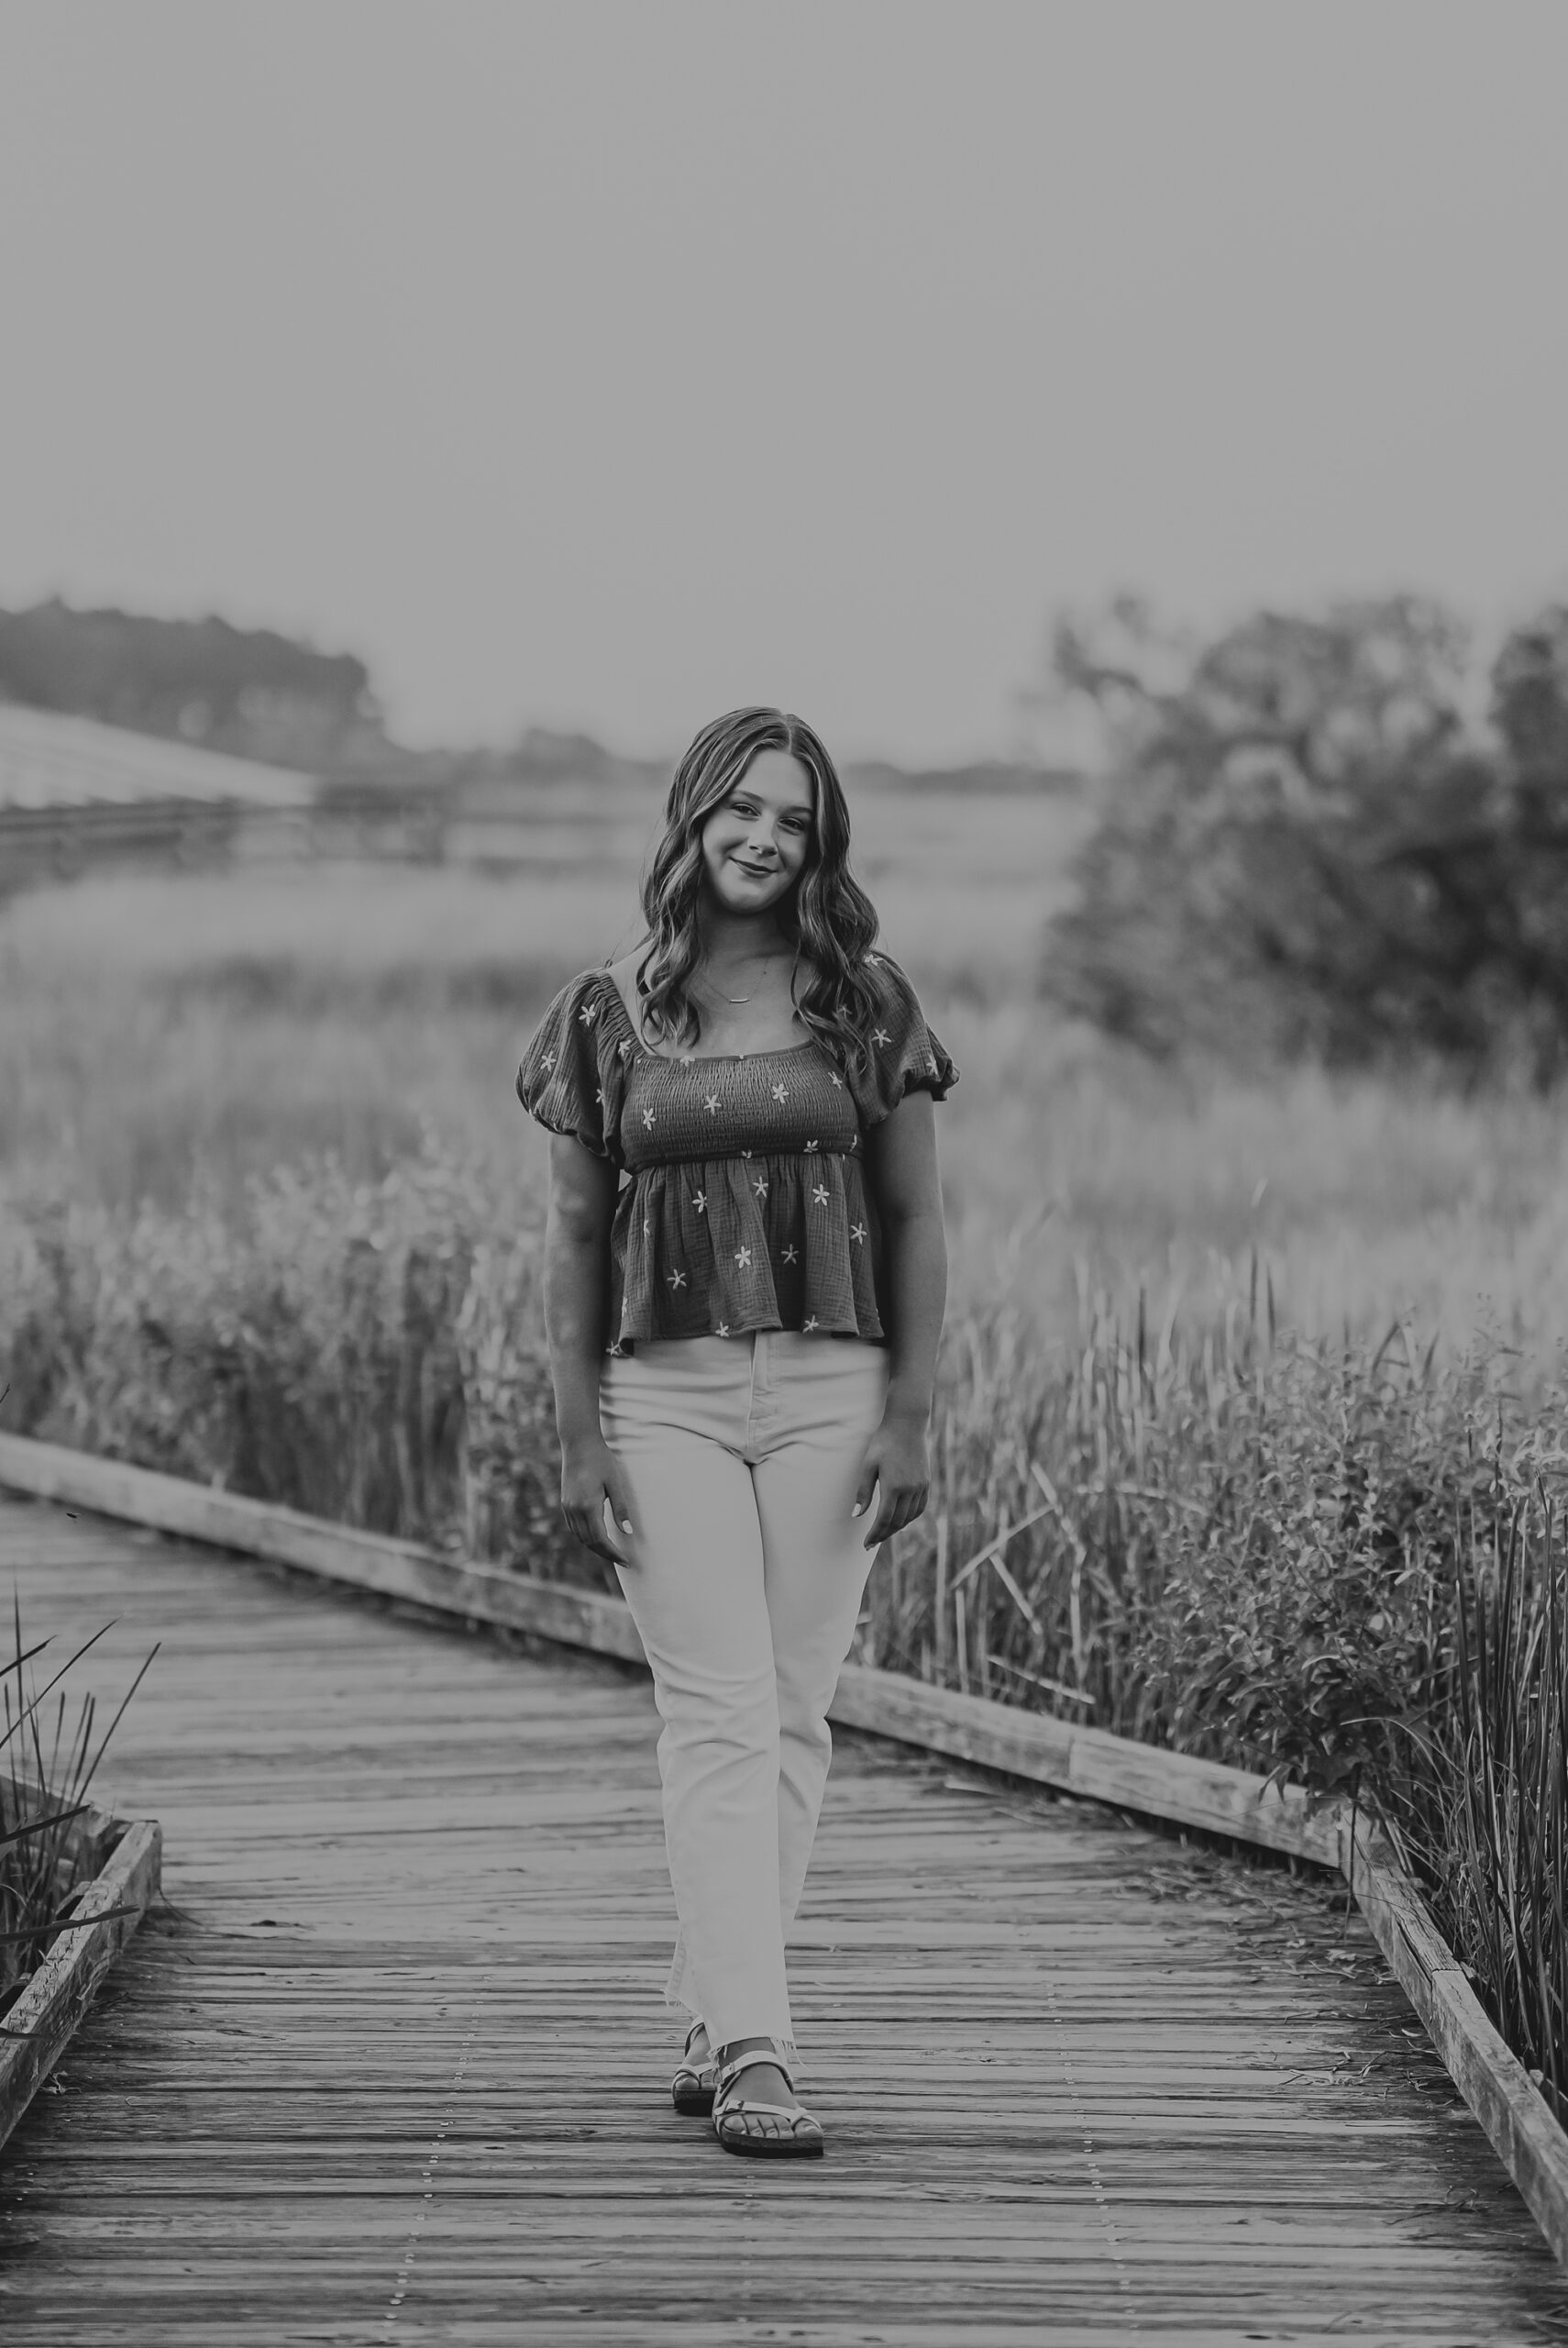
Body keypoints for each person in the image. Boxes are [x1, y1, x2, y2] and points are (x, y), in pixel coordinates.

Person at [514, 706, 957, 2159]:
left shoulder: (865, 1000)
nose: (764, 837)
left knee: (791, 1712)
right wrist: (578, 1436)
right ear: (693, 821)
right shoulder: (606, 1010)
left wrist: (910, 1413)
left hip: (834, 1389)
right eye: (740, 811)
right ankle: (760, 2050)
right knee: (714, 1710)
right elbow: (577, 1234)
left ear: (818, 837)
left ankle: (710, 2009)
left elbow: (913, 1217)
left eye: (792, 815)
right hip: (666, 1397)